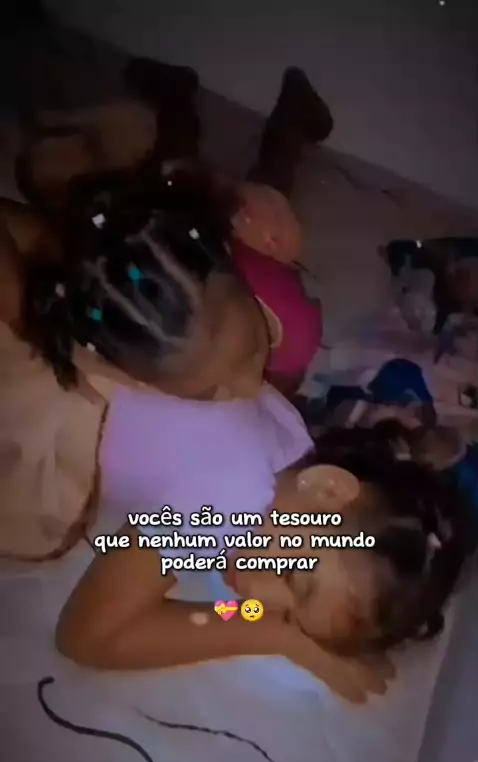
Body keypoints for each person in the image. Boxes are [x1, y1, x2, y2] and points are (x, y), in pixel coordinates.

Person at [10, 173, 471, 693]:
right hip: (60, 363)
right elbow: (87, 636)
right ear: (327, 489)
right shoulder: (218, 505)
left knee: (53, 250)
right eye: (295, 579)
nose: (259, 599)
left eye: (289, 613)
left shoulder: (294, 445)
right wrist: (281, 638)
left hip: (114, 318)